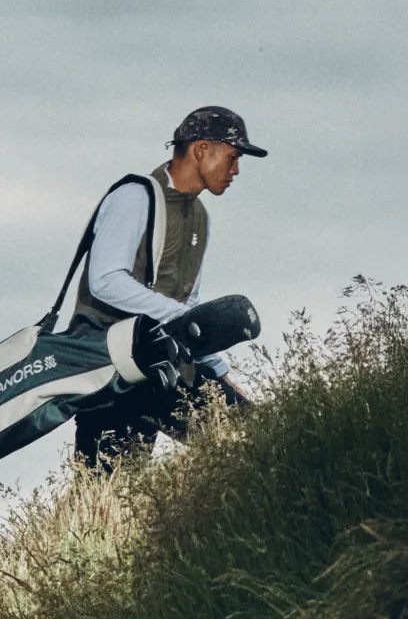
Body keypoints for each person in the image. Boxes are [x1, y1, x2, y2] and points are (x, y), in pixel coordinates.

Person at [68, 105, 266, 470]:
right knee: (107, 490)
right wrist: (181, 316)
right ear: (202, 150)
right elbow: (105, 280)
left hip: (161, 366)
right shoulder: (135, 196)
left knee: (250, 439)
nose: (236, 170)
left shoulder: (200, 217)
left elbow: (189, 302)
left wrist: (220, 375)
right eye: (233, 157)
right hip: (107, 369)